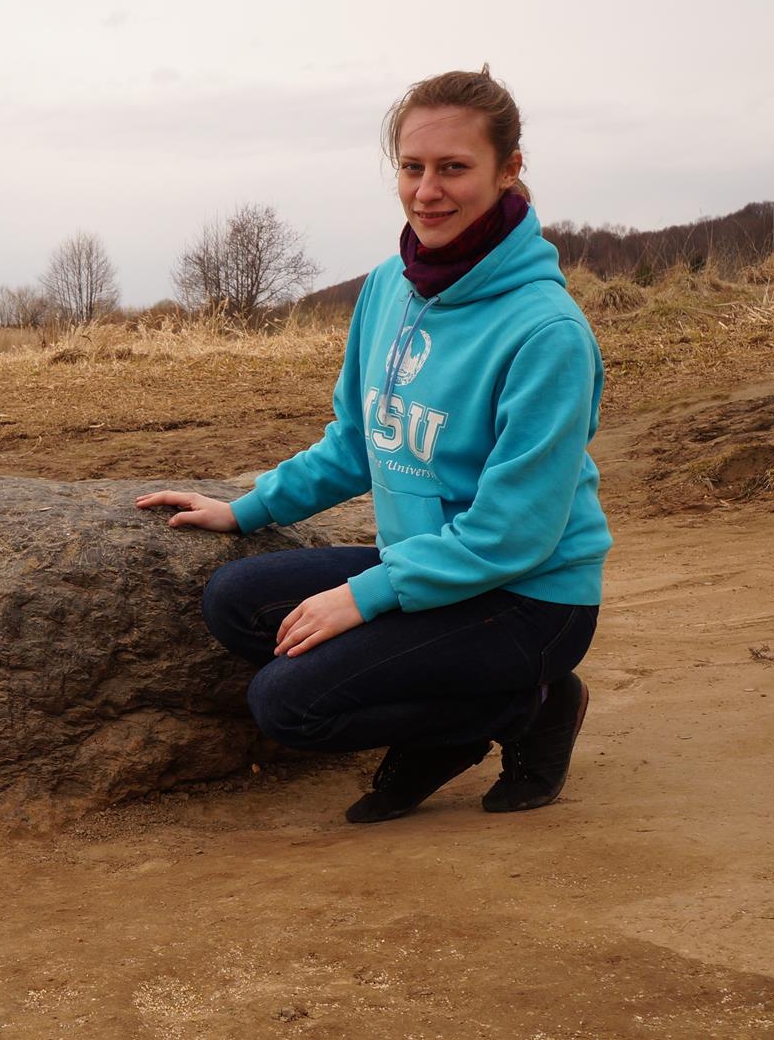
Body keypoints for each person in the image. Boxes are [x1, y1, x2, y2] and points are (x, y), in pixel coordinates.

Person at [136, 66, 611, 824]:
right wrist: (245, 508)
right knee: (234, 601)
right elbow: (358, 444)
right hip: (431, 569)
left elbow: (511, 534)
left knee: (286, 703)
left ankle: (530, 703)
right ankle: (472, 700)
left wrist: (363, 597)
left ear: (509, 169)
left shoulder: (547, 333)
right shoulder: (390, 284)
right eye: (413, 167)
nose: (428, 190)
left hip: (528, 597)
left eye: (454, 168)